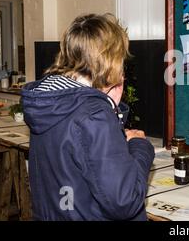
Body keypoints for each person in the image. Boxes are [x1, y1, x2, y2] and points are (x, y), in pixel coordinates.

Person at [21, 14, 155, 221]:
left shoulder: (50, 100)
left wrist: (111, 105)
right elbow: (124, 201)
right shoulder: (93, 114)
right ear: (111, 59)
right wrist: (139, 146)